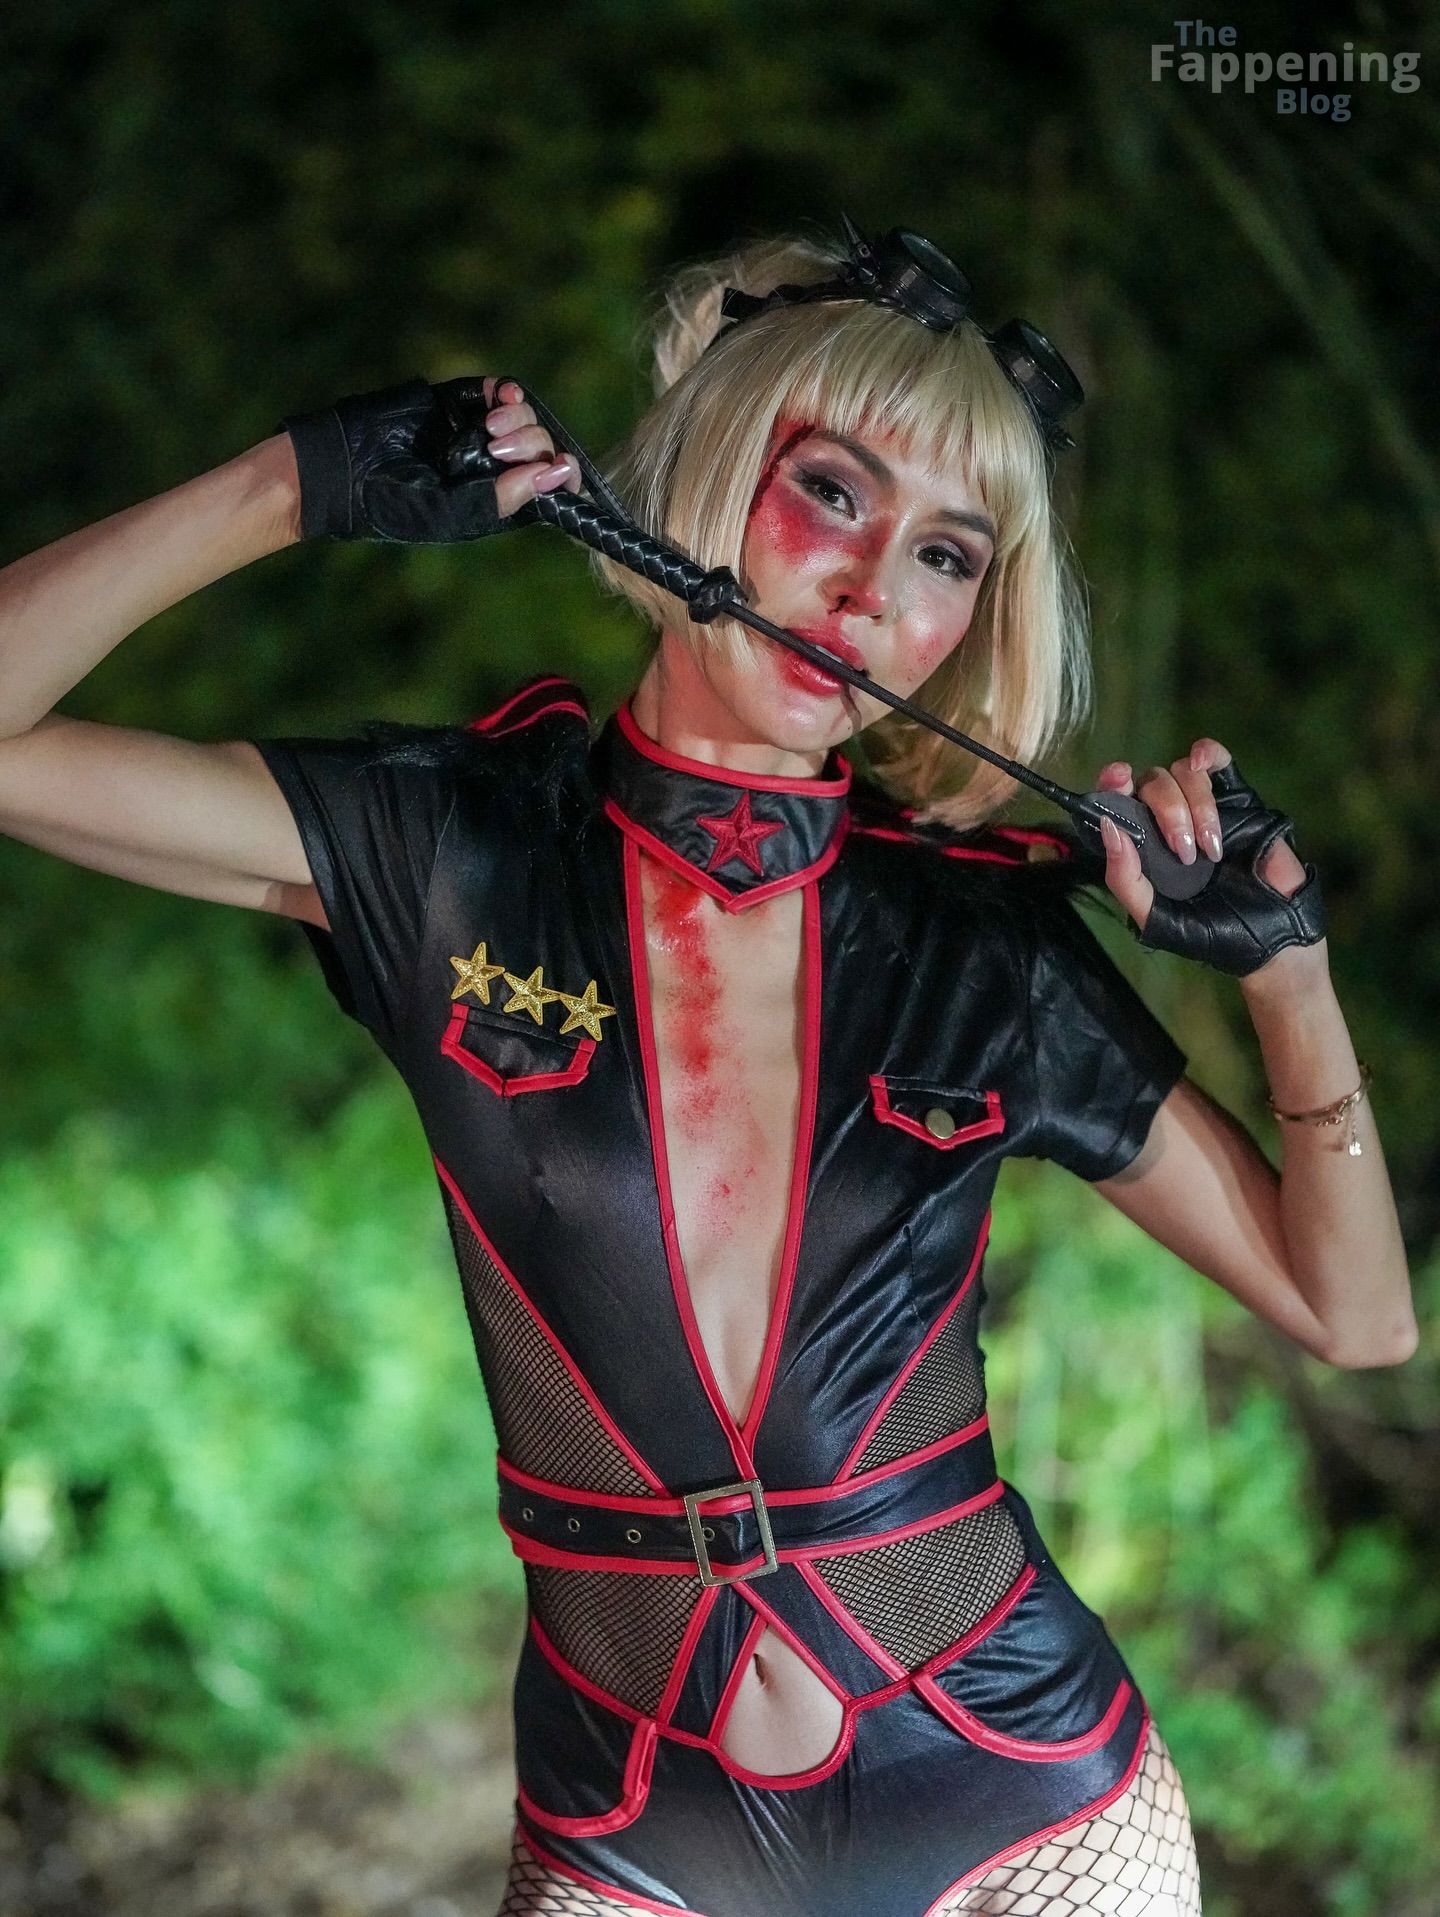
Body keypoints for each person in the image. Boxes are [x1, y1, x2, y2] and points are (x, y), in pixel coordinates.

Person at [0, 220, 1415, 1917]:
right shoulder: (447, 854)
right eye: (832, 493)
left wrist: (1288, 977)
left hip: (1024, 1799)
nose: (875, 589)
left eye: (947, 554)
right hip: (632, 1817)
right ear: (708, 473)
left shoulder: (982, 942)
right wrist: (286, 488)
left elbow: (1356, 1315)